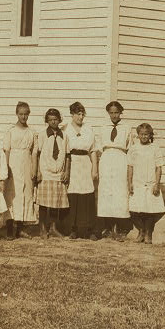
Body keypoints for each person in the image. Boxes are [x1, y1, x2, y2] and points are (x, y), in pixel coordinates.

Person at [95, 100, 134, 240]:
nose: (114, 115)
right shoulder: (103, 126)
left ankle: (119, 227)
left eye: (116, 112)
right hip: (106, 159)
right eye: (111, 113)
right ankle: (107, 227)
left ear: (120, 112)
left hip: (120, 159)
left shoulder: (126, 127)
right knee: (106, 192)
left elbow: (130, 147)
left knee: (119, 192)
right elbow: (98, 145)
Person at [2, 102, 39, 239]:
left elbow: (34, 152)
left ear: (29, 114)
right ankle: (10, 228)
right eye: (21, 114)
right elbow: (7, 150)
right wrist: (6, 169)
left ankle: (21, 228)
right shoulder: (11, 131)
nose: (23, 117)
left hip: (27, 163)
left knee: (26, 193)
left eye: (26, 114)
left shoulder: (32, 132)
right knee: (13, 194)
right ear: (17, 114)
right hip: (13, 164)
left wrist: (34, 169)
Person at [64, 102, 98, 240]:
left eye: (83, 114)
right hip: (72, 163)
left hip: (85, 163)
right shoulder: (65, 129)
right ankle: (73, 229)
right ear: (72, 114)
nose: (81, 116)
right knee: (73, 195)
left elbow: (93, 150)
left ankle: (90, 230)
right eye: (78, 114)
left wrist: (95, 168)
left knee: (87, 196)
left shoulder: (88, 129)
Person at [34, 108, 70, 239]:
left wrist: (66, 171)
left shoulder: (64, 136)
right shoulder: (42, 135)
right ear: (47, 121)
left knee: (56, 202)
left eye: (55, 119)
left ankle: (53, 228)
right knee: (44, 203)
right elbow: (37, 154)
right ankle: (42, 228)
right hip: (45, 173)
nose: (53, 122)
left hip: (58, 173)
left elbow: (67, 155)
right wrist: (37, 171)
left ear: (59, 120)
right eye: (50, 120)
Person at [128, 123, 165, 244]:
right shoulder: (134, 148)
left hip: (150, 183)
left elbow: (159, 168)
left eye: (146, 134)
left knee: (150, 211)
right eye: (141, 134)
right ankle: (141, 230)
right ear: (138, 135)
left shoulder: (155, 148)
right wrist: (129, 183)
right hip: (137, 183)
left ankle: (148, 233)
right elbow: (130, 167)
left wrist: (157, 184)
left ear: (150, 135)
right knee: (134, 210)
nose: (144, 137)